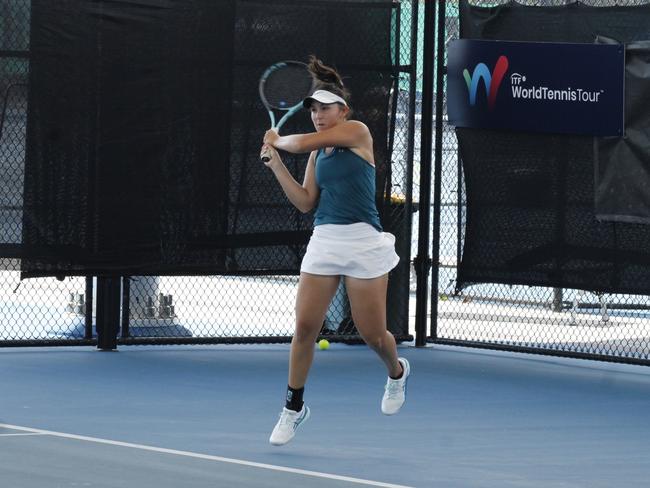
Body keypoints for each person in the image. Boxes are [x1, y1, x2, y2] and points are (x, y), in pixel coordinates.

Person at [261, 56, 410, 447]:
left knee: (373, 334)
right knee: (306, 327)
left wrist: (280, 141)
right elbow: (306, 202)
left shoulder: (357, 133)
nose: (318, 115)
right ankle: (293, 407)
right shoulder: (315, 156)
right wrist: (277, 164)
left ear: (342, 111)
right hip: (325, 239)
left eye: (326, 108)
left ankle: (396, 373)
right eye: (313, 108)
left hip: (364, 242)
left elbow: (301, 141)